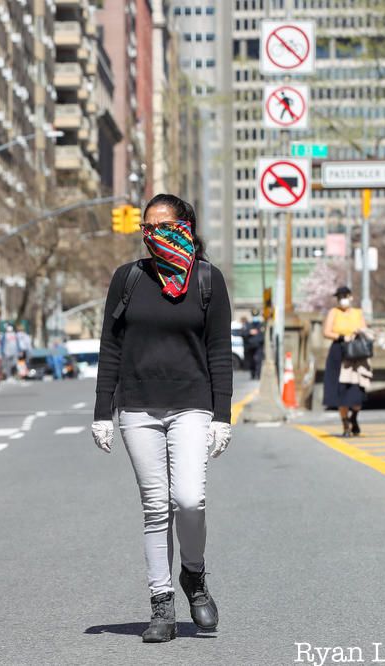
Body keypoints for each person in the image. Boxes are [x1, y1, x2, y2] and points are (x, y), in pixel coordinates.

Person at [90, 194, 233, 643]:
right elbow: (110, 347)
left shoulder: (208, 281)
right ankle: (162, 604)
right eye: (147, 228)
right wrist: (102, 412)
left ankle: (194, 573)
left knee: (189, 500)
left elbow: (219, 352)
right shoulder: (128, 279)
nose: (155, 235)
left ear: (186, 226)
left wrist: (222, 416)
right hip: (137, 407)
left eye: (164, 225)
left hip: (193, 403)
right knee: (155, 508)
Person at [322, 286, 372, 437]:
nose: (342, 299)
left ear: (350, 297)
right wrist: (342, 337)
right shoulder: (334, 312)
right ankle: (345, 425)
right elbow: (326, 332)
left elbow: (365, 329)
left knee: (357, 392)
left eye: (344, 296)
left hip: (356, 353)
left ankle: (354, 417)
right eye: (339, 297)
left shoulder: (358, 313)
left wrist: (359, 332)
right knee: (341, 391)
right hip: (339, 351)